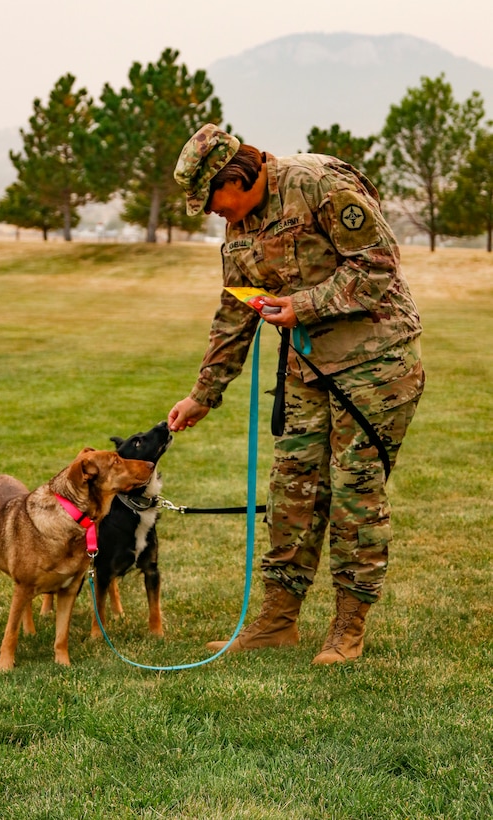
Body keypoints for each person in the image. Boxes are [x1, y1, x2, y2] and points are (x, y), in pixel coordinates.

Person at [167, 123, 425, 664]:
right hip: (306, 368)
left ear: (232, 175)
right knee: (294, 488)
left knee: (355, 491)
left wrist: (302, 306)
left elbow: (377, 264)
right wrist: (203, 395)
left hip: (374, 363)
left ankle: (348, 627)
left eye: (209, 198)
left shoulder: (318, 182)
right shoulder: (238, 229)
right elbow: (237, 310)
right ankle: (277, 620)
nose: (210, 211)